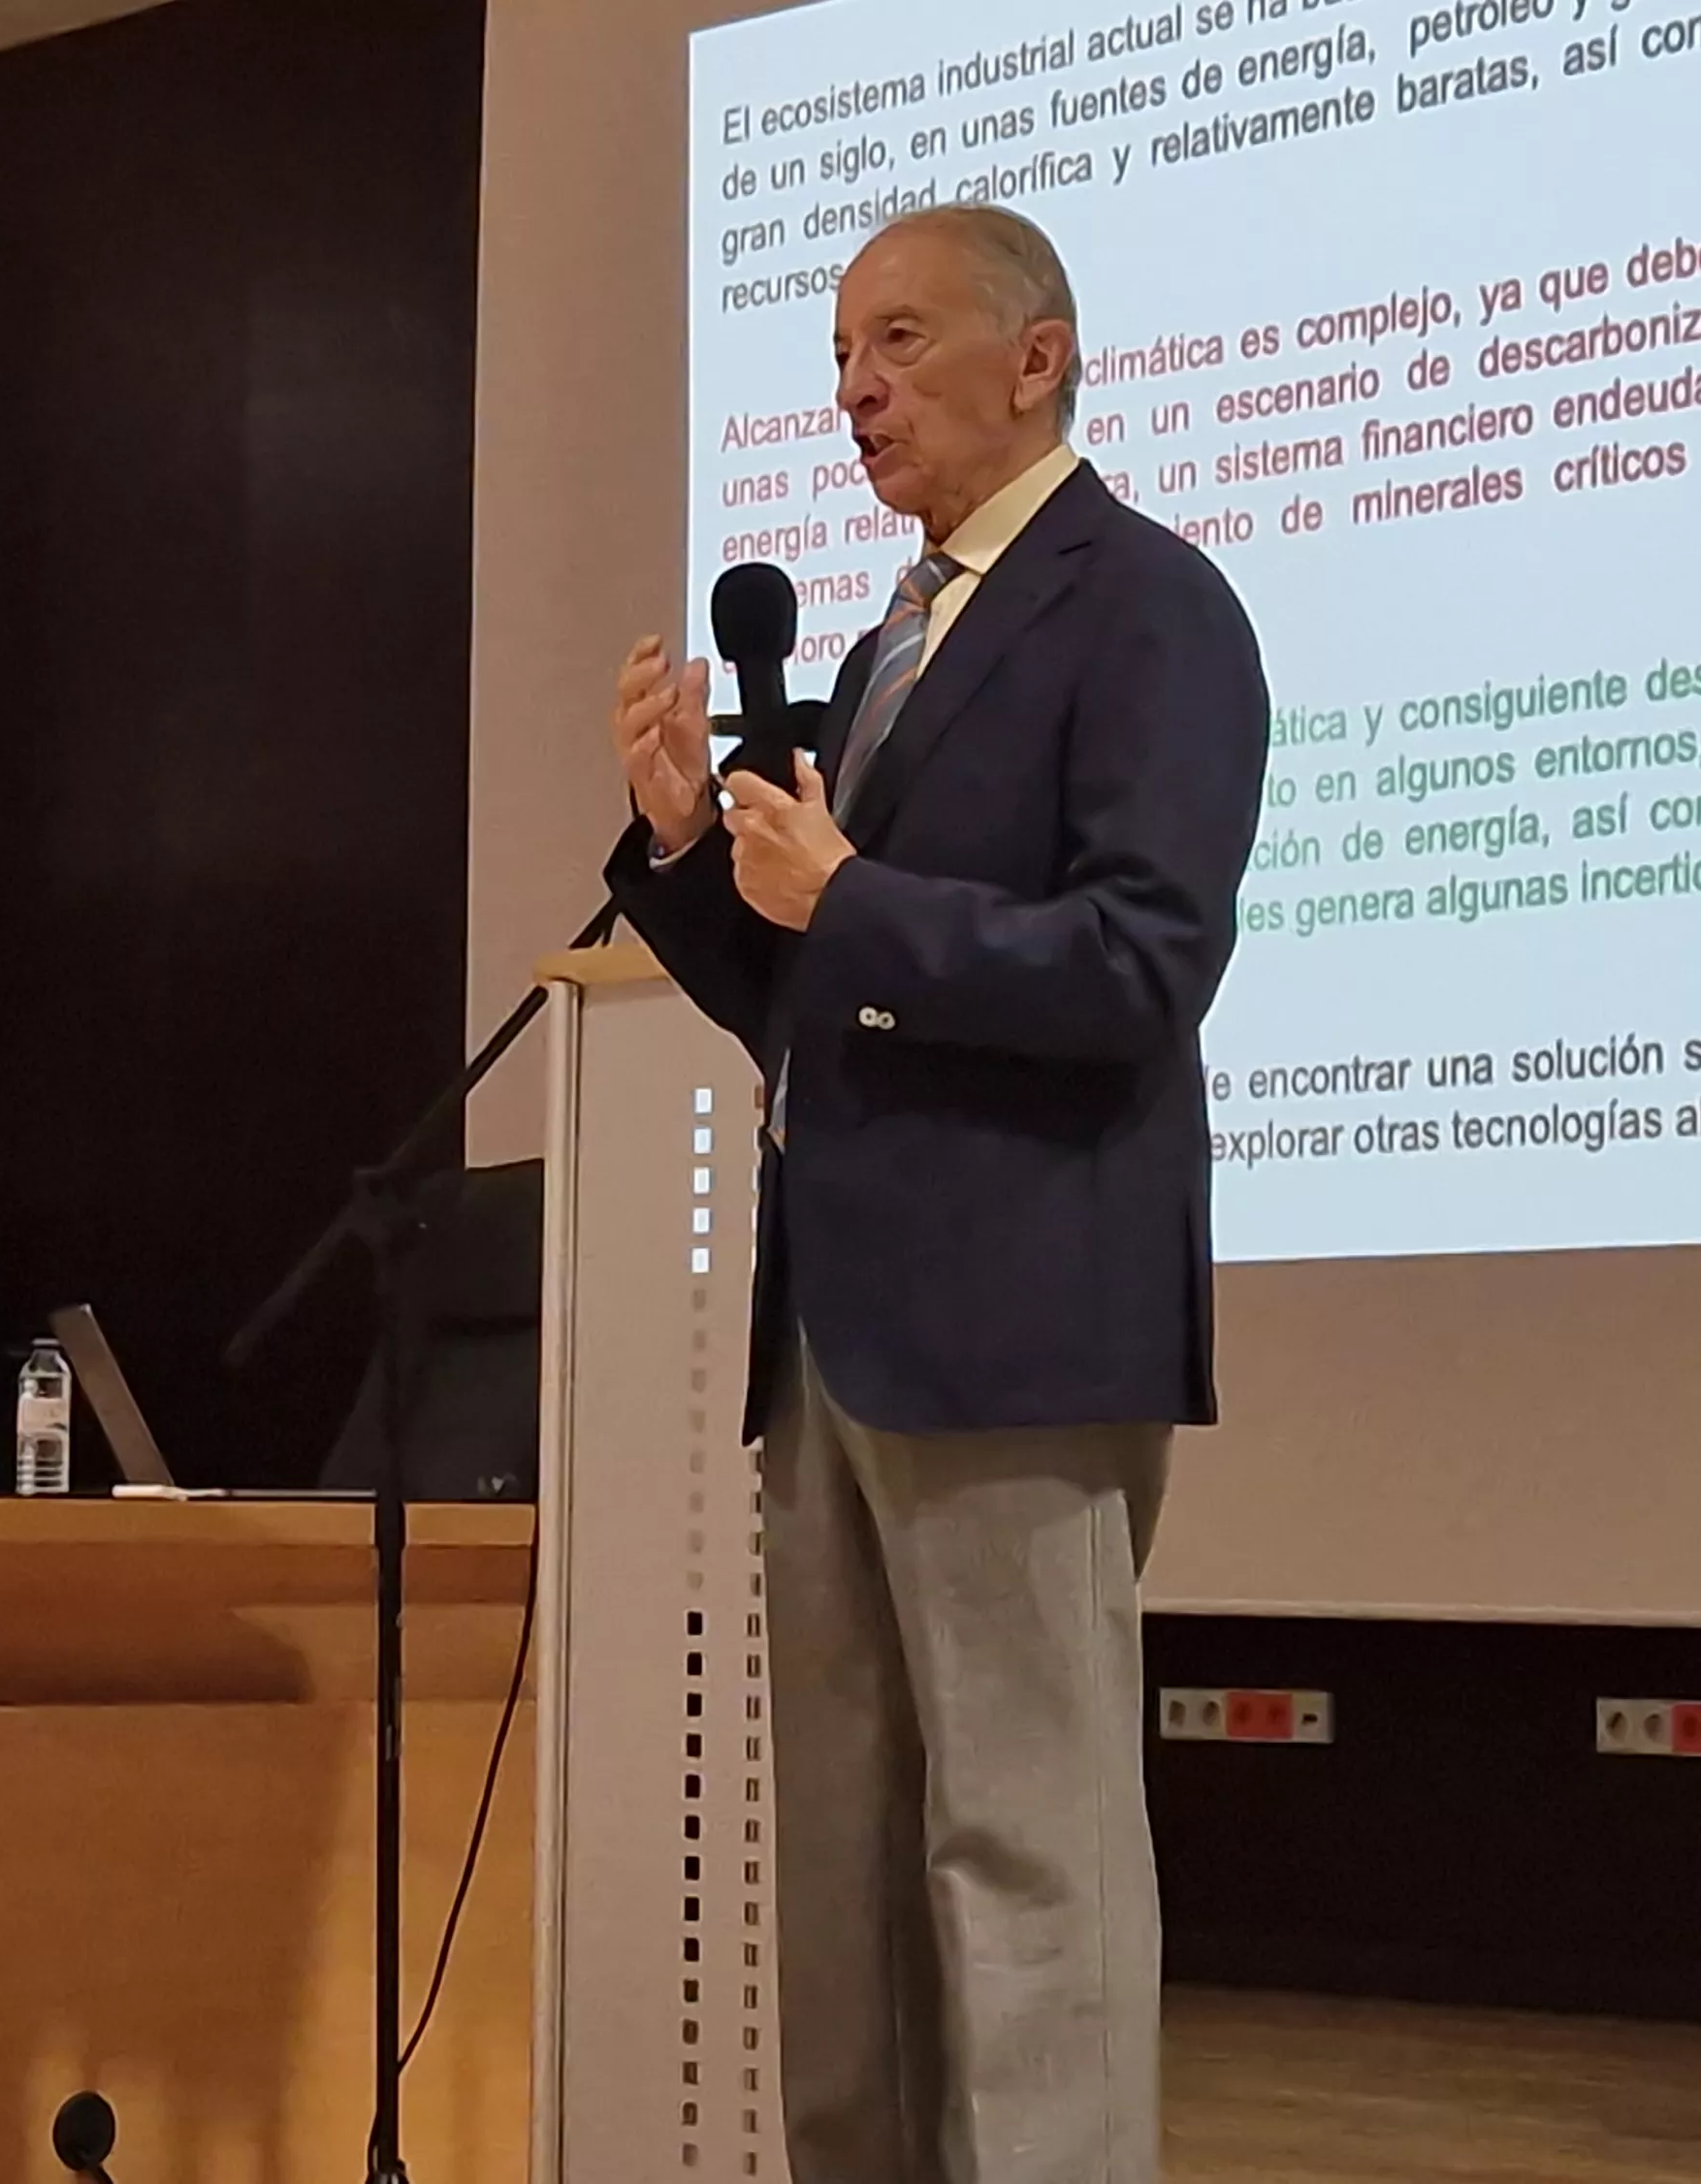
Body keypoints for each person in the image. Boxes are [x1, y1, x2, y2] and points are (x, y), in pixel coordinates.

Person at [602, 204, 1270, 2184]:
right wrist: (686, 856)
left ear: (1035, 357)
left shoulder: (1146, 606)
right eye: (838, 353)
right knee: (841, 1861)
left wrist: (856, 900)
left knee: (1025, 1847)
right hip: (833, 1328)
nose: (855, 390)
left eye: (897, 342)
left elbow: (1143, 963)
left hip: (1020, 1321)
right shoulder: (894, 640)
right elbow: (818, 1010)